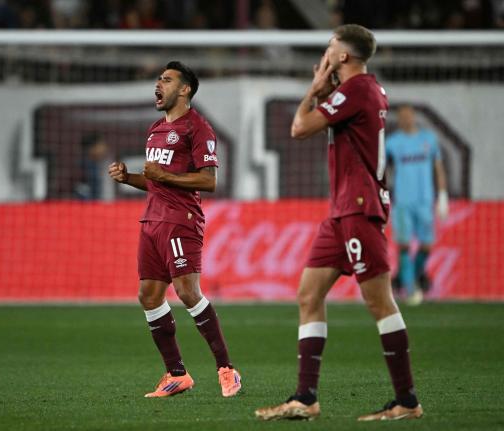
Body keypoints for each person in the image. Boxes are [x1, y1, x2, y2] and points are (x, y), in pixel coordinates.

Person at [255, 24, 423, 421]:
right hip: (342, 210)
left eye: (331, 47)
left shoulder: (356, 89)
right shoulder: (367, 89)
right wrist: (328, 93)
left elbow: (299, 128)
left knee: (379, 301)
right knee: (309, 295)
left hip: (358, 206)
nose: (326, 52)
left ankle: (407, 401)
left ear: (343, 56)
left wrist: (314, 91)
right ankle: (305, 397)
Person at [108, 61, 241, 398]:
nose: (159, 84)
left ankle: (227, 369)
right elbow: (155, 182)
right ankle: (176, 373)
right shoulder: (154, 129)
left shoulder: (198, 128)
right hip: (151, 220)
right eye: (158, 79)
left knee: (187, 291)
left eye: (167, 80)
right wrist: (128, 178)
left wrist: (164, 176)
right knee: (148, 295)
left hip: (181, 220)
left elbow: (209, 180)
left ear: (185, 90)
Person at [386, 104, 449, 305]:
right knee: (403, 245)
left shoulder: (428, 140)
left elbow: (438, 168)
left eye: (409, 116)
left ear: (414, 117)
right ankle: (410, 289)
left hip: (425, 200)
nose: (406, 119)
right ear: (398, 119)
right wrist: (384, 195)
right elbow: (385, 172)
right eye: (402, 117)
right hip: (403, 201)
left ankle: (409, 276)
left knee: (427, 245)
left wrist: (442, 195)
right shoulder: (392, 143)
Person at [75, 133, 108, 200]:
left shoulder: (103, 164)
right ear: (92, 148)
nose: (104, 148)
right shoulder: (84, 168)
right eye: (100, 145)